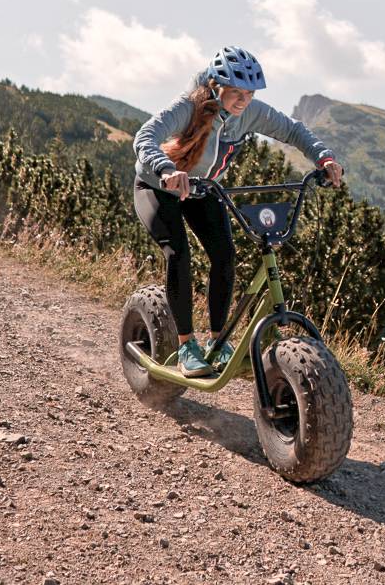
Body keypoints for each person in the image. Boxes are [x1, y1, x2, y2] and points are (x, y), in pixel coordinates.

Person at [132, 46, 343, 378]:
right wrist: (165, 169)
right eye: (236, 92)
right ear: (217, 86)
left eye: (249, 93)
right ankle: (187, 346)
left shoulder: (251, 112)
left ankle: (219, 341)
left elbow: (292, 130)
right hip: (158, 188)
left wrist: (323, 157)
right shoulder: (188, 107)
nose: (243, 100)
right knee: (179, 254)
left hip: (203, 190)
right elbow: (145, 137)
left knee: (225, 256)